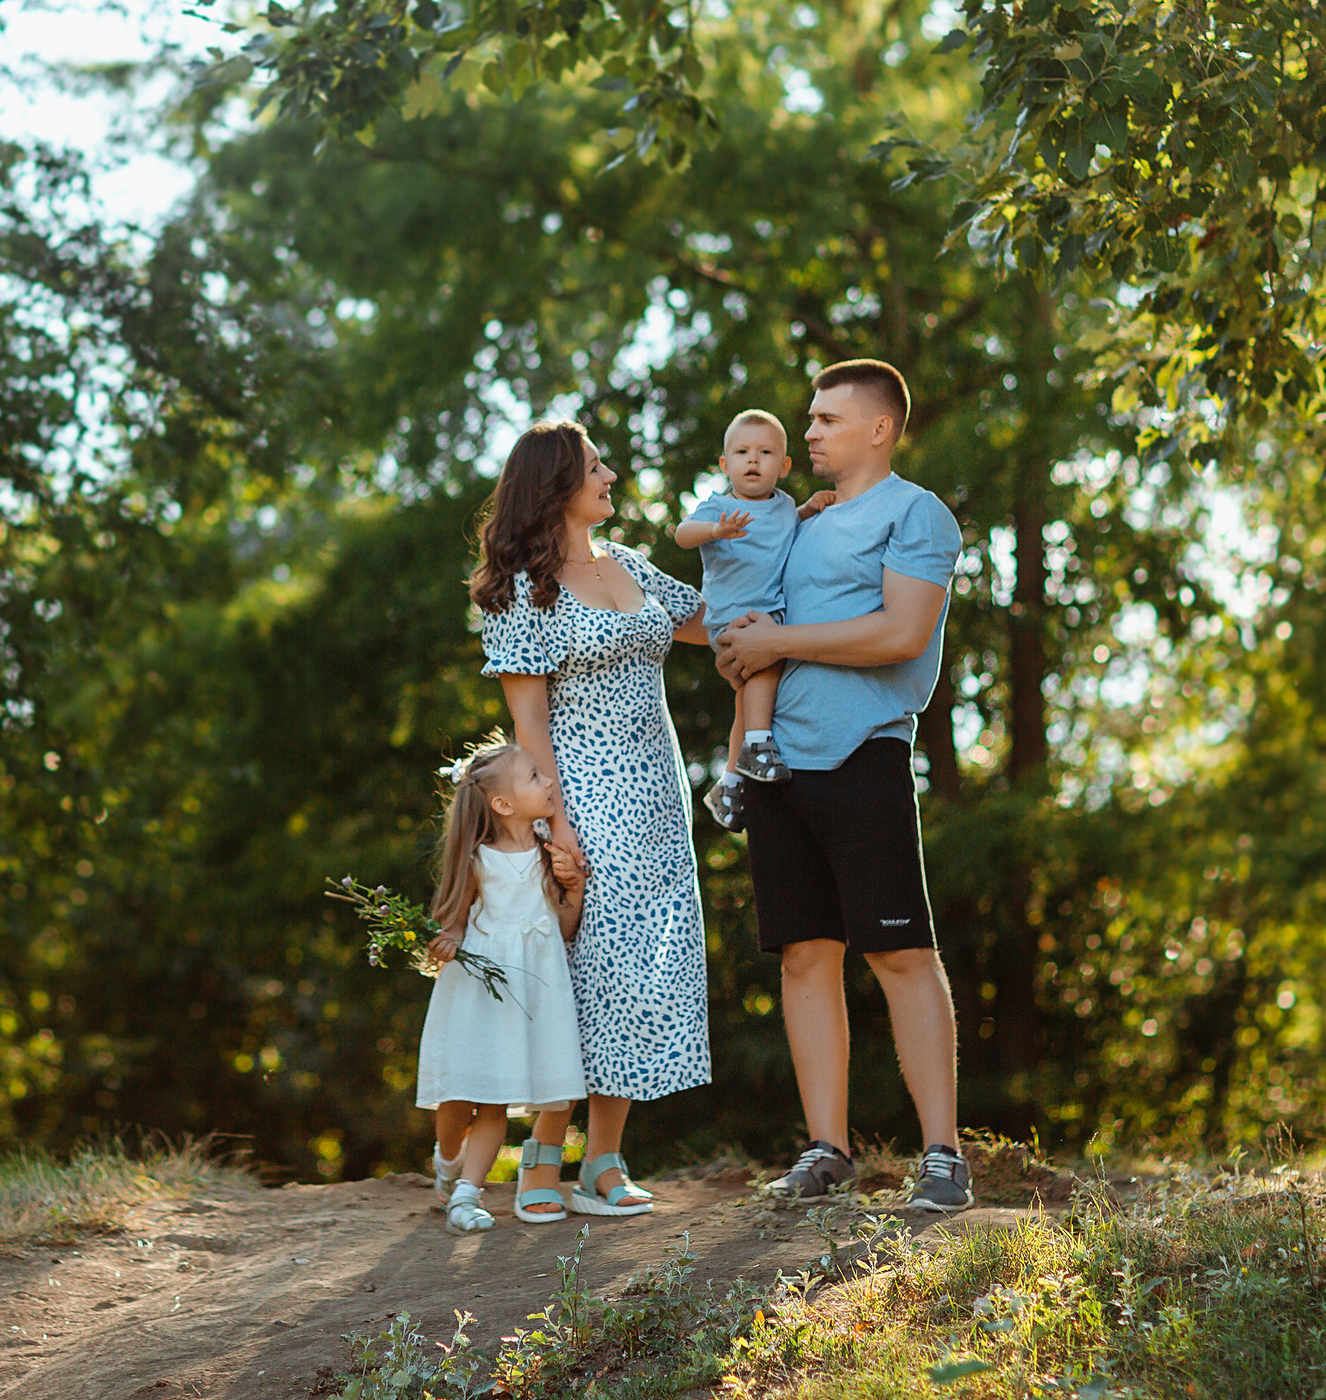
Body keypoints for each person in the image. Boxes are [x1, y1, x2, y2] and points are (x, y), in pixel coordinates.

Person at [710, 359, 973, 1212]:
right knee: (803, 956)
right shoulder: (796, 519)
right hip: (776, 763)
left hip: (865, 754)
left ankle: (943, 1156)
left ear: (879, 428)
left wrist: (781, 641)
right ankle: (828, 1149)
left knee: (900, 951)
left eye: (825, 419)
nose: (809, 432)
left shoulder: (915, 512)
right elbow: (742, 609)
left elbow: (901, 632)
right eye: (809, 419)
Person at [473, 421, 712, 1221]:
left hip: (659, 798)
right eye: (594, 465)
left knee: (643, 974)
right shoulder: (519, 588)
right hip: (583, 796)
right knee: (580, 974)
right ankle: (543, 1149)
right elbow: (529, 725)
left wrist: (783, 525)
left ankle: (604, 1158)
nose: (611, 474)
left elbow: (714, 623)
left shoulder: (631, 565)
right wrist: (557, 827)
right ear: (556, 485)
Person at [415, 735, 589, 1234]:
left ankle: (466, 1196)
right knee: (456, 1101)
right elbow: (452, 924)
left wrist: (572, 891)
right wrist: (446, 939)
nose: (549, 781)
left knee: (494, 1100)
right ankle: (447, 1161)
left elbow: (560, 930)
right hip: (477, 992)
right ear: (503, 803)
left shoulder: (547, 853)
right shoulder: (477, 860)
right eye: (535, 776)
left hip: (527, 995)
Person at [671, 408, 838, 831]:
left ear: (783, 467)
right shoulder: (719, 507)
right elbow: (681, 533)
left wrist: (810, 508)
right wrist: (713, 531)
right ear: (725, 464)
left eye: (765, 453)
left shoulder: (783, 505)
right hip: (732, 616)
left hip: (768, 612)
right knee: (765, 669)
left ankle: (728, 782)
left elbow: (786, 528)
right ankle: (758, 746)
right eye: (742, 452)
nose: (753, 460)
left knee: (747, 694)